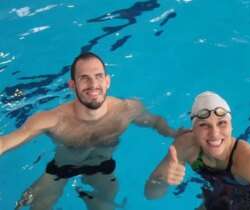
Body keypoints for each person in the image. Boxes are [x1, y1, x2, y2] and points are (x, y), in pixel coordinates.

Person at [0, 52, 177, 210]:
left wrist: (174, 133)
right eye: (84, 78)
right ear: (72, 85)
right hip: (60, 170)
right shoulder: (53, 119)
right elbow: (8, 141)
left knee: (107, 204)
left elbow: (155, 121)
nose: (93, 84)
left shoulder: (127, 110)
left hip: (103, 169)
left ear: (107, 81)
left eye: (98, 76)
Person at [145, 91, 250, 210]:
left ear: (231, 127)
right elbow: (151, 194)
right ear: (194, 130)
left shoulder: (249, 159)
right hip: (219, 195)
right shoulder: (185, 146)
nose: (214, 134)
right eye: (204, 125)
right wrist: (162, 179)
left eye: (222, 123)